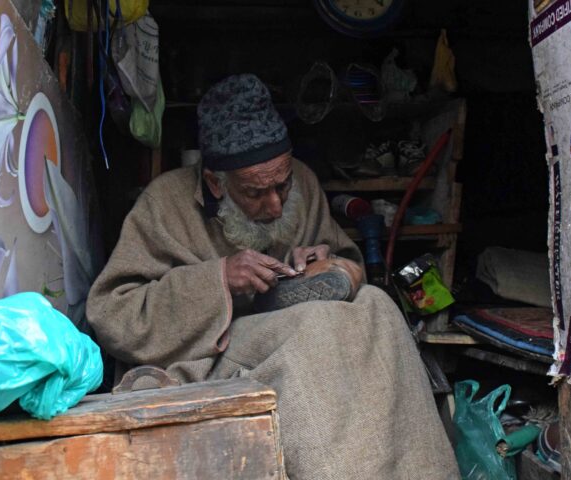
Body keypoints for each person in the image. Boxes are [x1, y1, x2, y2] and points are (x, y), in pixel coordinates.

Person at [87, 74, 458, 479]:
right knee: (313, 332)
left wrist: (325, 261)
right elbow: (113, 312)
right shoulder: (164, 204)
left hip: (303, 327)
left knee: (377, 307)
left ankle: (422, 470)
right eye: (255, 193)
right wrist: (219, 280)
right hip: (214, 352)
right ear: (215, 182)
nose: (277, 204)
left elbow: (347, 260)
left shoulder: (303, 184)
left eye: (283, 185)